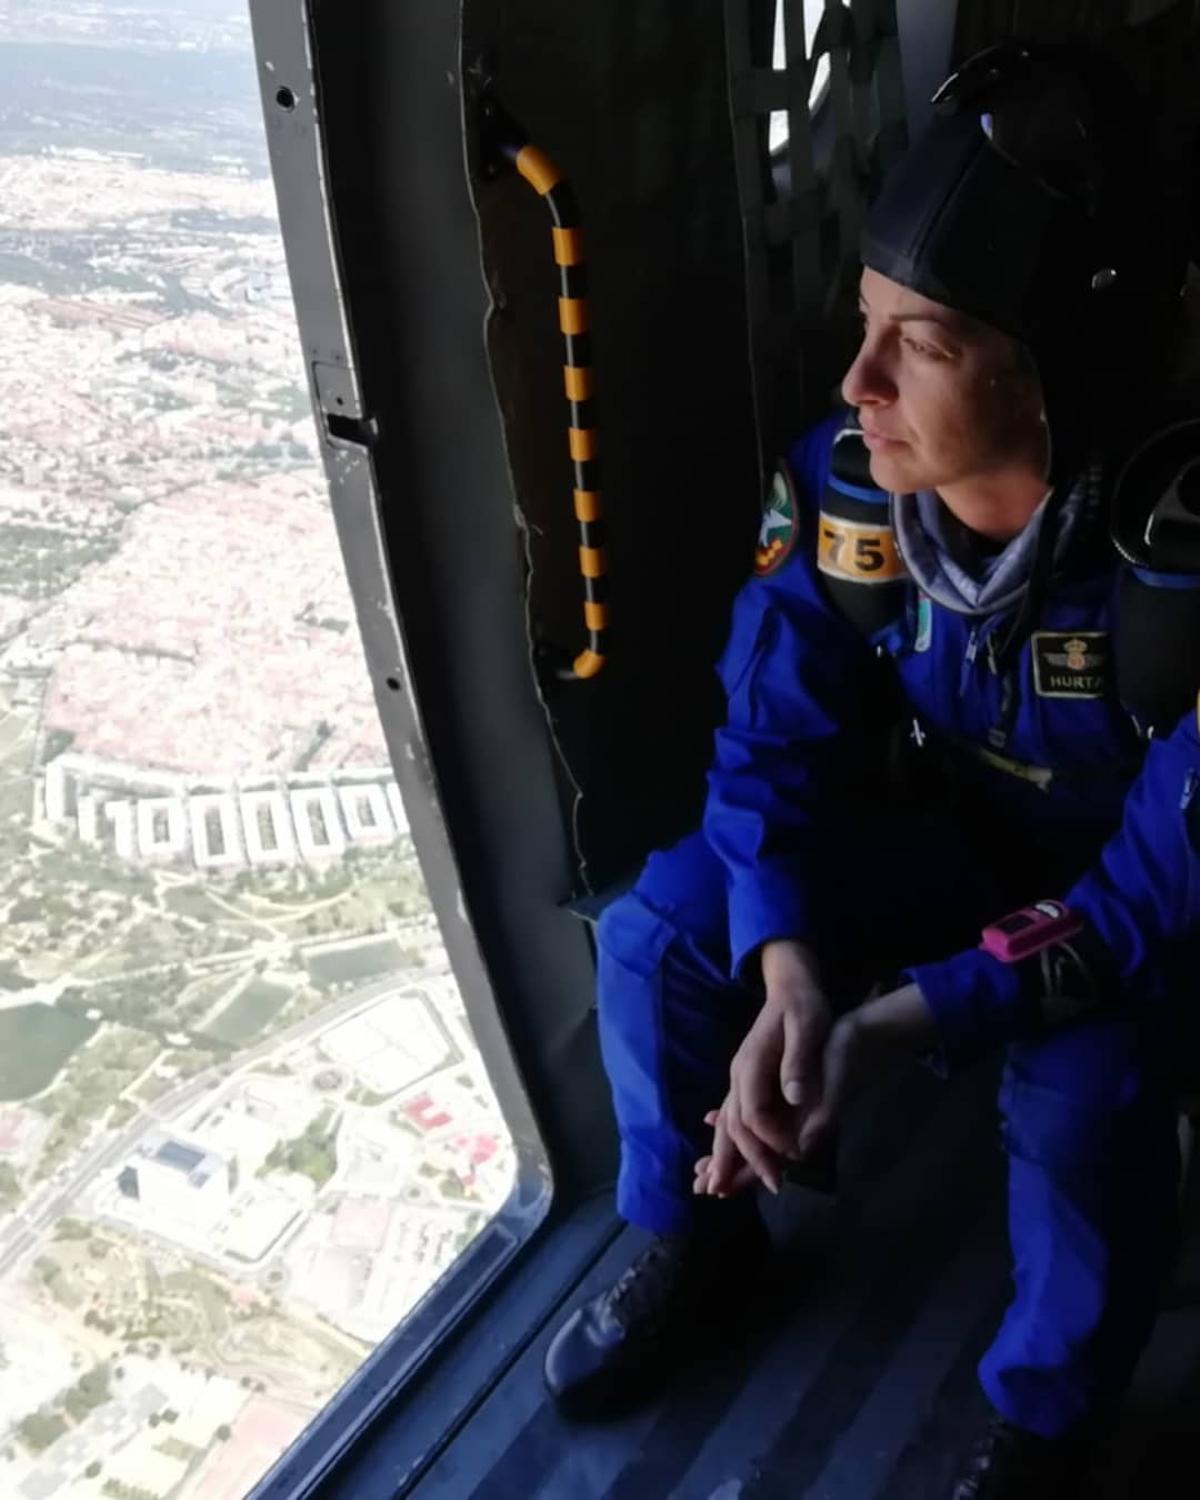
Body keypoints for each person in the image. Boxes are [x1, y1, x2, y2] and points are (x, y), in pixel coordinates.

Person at [543, 40, 1200, 1500]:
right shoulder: (853, 491)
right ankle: (695, 1233)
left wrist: (894, 1022)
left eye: (926, 342)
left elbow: (1157, 896)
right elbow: (774, 728)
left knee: (1084, 1101)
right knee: (666, 934)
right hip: (955, 841)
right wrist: (787, 964)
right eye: (863, 326)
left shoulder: (1178, 573)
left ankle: (1047, 1421)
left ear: (1053, 370)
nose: (857, 381)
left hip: (1139, 914)